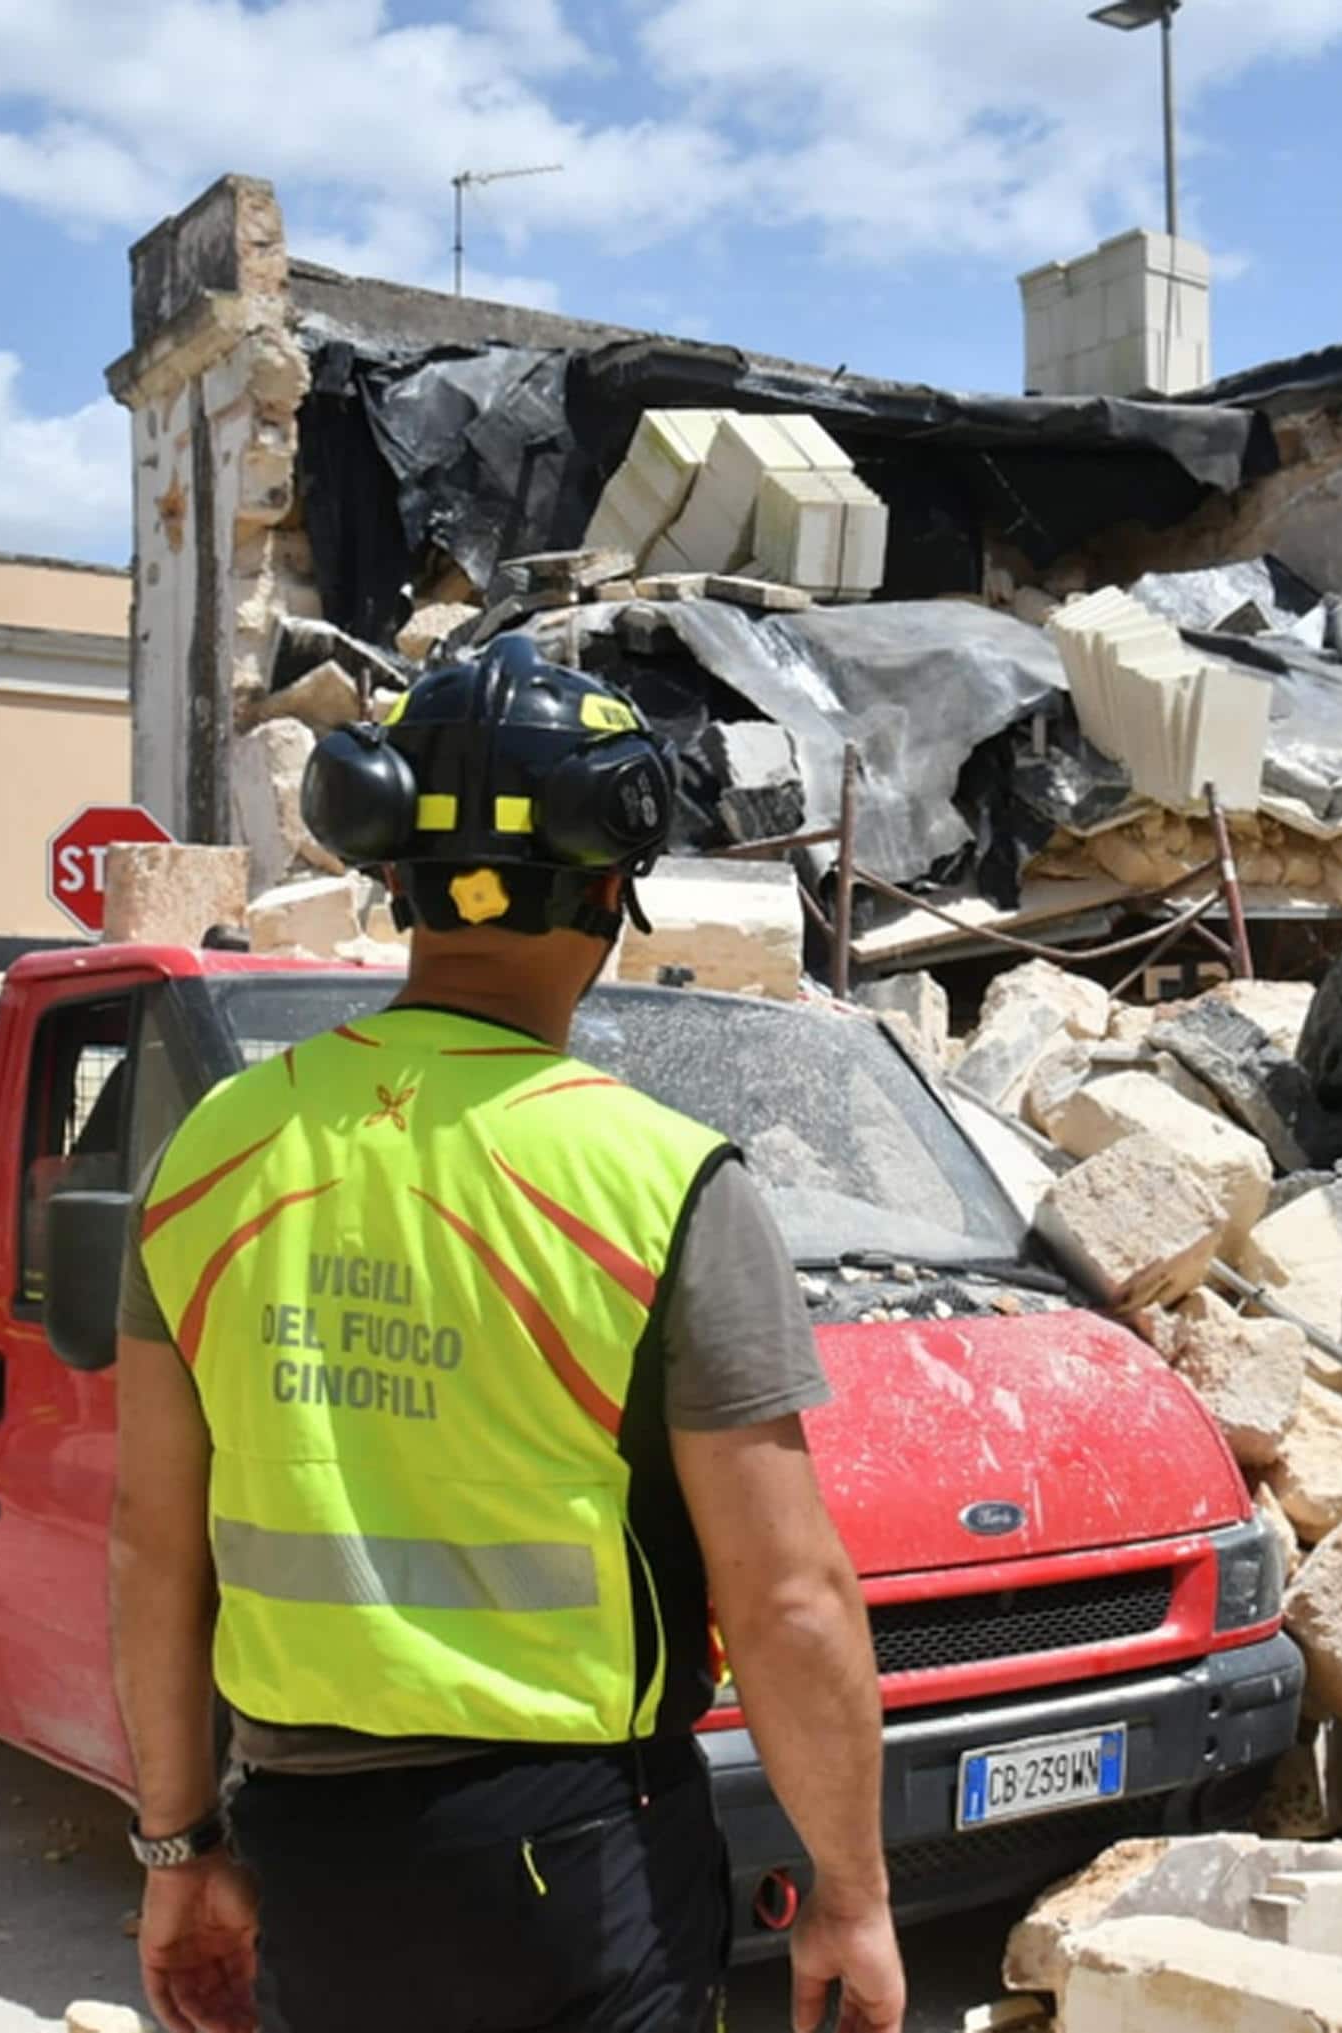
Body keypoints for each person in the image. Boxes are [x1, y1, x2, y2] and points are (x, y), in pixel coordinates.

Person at [112, 635, 904, 2033]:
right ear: (612, 891)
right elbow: (786, 1599)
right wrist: (851, 1893)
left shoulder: (210, 1155)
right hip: (575, 1853)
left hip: (305, 1841)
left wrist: (178, 1853)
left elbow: (154, 1548)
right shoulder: (659, 1182)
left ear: (393, 877)